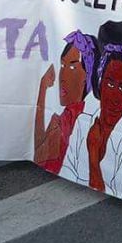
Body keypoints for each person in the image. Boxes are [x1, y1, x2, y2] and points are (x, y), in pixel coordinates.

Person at [86, 21, 122, 192]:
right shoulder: (81, 122)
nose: (114, 98)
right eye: (110, 84)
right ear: (99, 82)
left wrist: (93, 161)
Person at [34, 30, 97, 174]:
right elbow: (39, 151)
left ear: (88, 76)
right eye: (63, 66)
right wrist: (42, 88)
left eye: (73, 67)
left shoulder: (78, 119)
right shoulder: (64, 117)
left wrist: (43, 90)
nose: (63, 76)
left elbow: (40, 155)